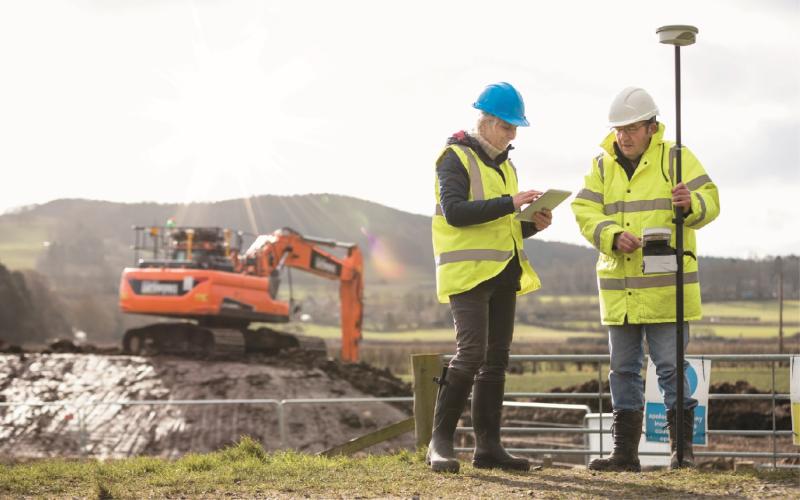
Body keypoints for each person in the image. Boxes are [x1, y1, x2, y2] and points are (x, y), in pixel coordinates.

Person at [571, 87, 720, 471]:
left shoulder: (677, 157)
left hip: (666, 290)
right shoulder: (601, 165)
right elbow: (583, 209)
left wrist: (693, 204)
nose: (624, 135)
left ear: (652, 127)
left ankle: (681, 452)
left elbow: (712, 199)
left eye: (632, 127)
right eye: (619, 128)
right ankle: (624, 454)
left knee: (671, 369)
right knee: (622, 371)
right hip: (620, 291)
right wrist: (610, 234)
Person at [429, 82, 552, 473]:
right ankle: (440, 443)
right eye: (507, 127)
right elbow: (456, 213)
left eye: (516, 128)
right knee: (471, 354)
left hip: (503, 271)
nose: (513, 135)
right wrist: (509, 203)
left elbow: (502, 226)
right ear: (486, 122)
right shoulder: (454, 158)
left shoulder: (506, 166)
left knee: (496, 360)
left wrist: (531, 224)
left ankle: (489, 448)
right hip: (467, 273)